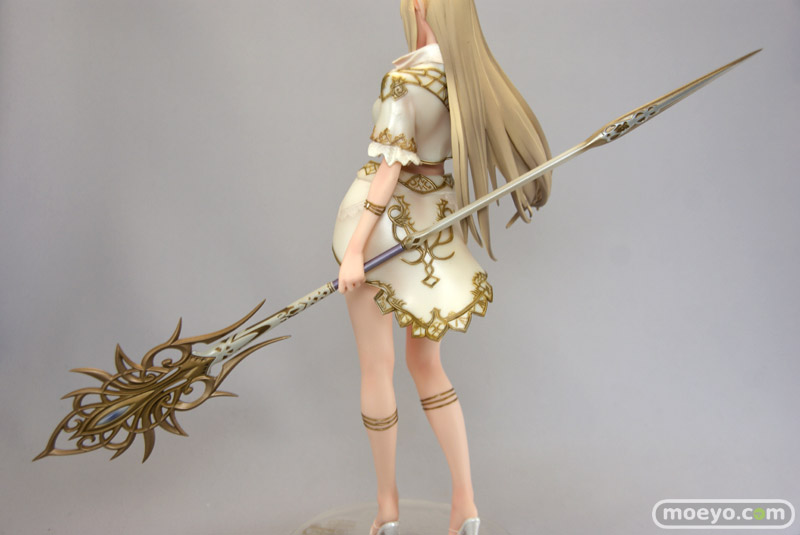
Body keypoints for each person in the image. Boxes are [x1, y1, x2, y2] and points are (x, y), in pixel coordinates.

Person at [332, 1, 552, 534]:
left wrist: (356, 249)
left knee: (376, 367)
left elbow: (388, 171)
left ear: (420, 6)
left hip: (385, 229)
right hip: (436, 224)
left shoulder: (406, 77)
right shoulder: (470, 79)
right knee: (426, 364)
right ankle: (466, 505)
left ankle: (387, 510)